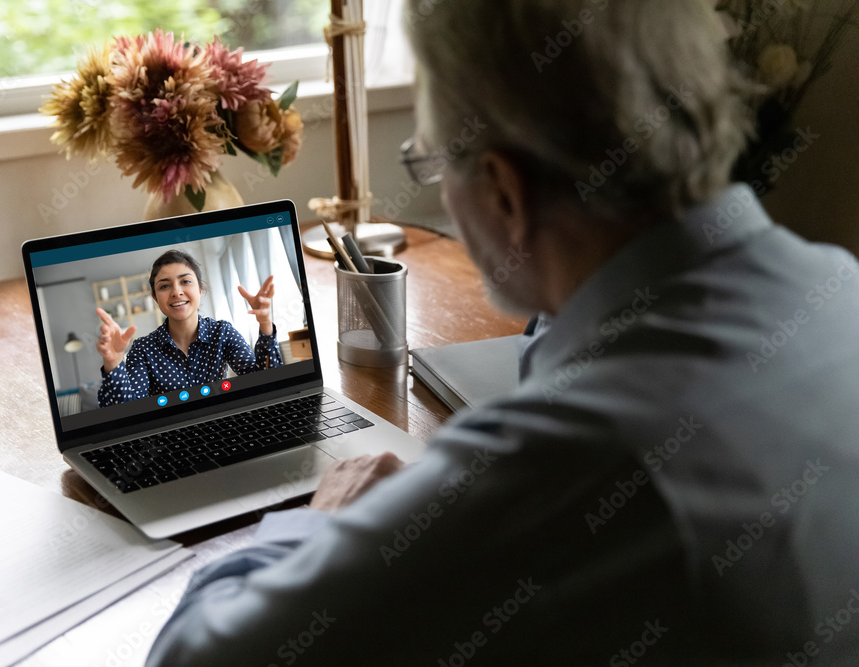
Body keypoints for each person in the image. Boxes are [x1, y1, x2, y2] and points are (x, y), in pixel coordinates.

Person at [145, 1, 859, 664]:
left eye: (429, 161)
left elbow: (196, 657)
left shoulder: (574, 454)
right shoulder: (839, 288)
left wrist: (319, 523)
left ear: (503, 192)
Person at [96, 249, 281, 407]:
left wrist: (265, 324)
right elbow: (128, 411)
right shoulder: (142, 349)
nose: (176, 291)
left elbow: (265, 382)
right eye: (165, 286)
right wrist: (113, 362)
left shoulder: (222, 332)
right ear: (155, 297)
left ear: (200, 290)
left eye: (185, 281)